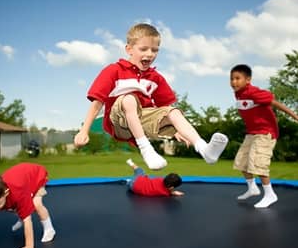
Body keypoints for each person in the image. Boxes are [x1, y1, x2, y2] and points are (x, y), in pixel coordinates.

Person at [74, 23, 228, 170]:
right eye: (144, 49)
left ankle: (204, 149)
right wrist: (84, 130)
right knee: (129, 99)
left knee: (173, 111)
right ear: (129, 49)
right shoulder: (114, 70)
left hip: (142, 120)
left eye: (154, 50)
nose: (150, 54)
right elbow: (97, 101)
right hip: (118, 122)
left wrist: (176, 131)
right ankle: (146, 149)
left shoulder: (155, 78)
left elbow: (164, 110)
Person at [230, 64, 298, 208]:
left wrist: (294, 115)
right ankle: (252, 188)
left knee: (258, 163)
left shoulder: (253, 92)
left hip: (265, 132)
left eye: (237, 78)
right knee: (241, 161)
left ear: (248, 80)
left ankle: (270, 194)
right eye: (231, 79)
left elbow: (274, 102)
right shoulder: (238, 94)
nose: (233, 82)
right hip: (252, 133)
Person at [0, 163, 56, 248]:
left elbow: (28, 220)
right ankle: (21, 215)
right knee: (12, 206)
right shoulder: (3, 192)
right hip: (21, 178)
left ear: (6, 193)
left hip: (36, 176)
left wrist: (29, 245)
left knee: (36, 204)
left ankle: (49, 228)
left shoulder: (18, 194)